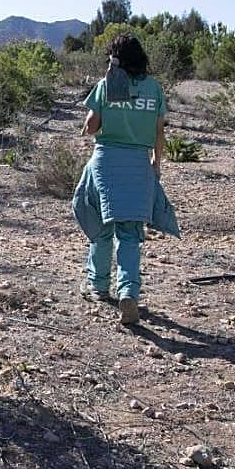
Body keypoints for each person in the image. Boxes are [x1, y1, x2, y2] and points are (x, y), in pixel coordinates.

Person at [72, 34, 179, 325]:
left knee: (99, 222)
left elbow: (92, 127)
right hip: (139, 165)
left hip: (106, 162)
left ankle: (98, 285)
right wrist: (157, 163)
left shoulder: (106, 86)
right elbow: (159, 132)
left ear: (114, 58)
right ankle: (129, 291)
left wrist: (89, 122)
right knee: (130, 234)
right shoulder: (154, 89)